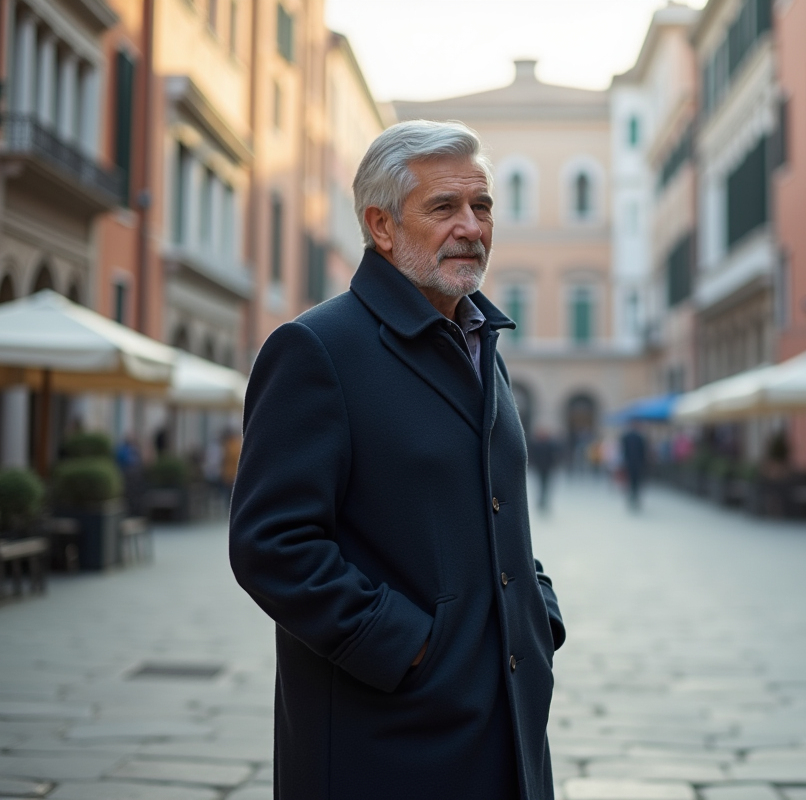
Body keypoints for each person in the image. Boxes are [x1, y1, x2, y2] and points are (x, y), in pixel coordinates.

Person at [229, 121, 565, 800]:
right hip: (384, 736)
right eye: (444, 208)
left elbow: (492, 507)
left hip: (507, 722)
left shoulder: (479, 342)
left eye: (483, 206)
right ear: (381, 227)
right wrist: (407, 646)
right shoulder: (316, 349)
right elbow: (271, 544)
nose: (470, 227)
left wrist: (537, 609)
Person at [528, 430, 558, 512]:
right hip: (540, 468)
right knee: (540, 485)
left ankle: (544, 501)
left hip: (547, 468)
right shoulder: (536, 445)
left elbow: (553, 456)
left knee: (546, 485)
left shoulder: (550, 445)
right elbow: (533, 455)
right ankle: (540, 501)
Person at [620, 423, 648, 511]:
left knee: (631, 480)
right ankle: (635, 496)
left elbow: (623, 450)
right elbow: (643, 451)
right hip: (637, 463)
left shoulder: (626, 437)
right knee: (636, 480)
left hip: (629, 462)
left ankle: (632, 496)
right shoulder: (640, 437)